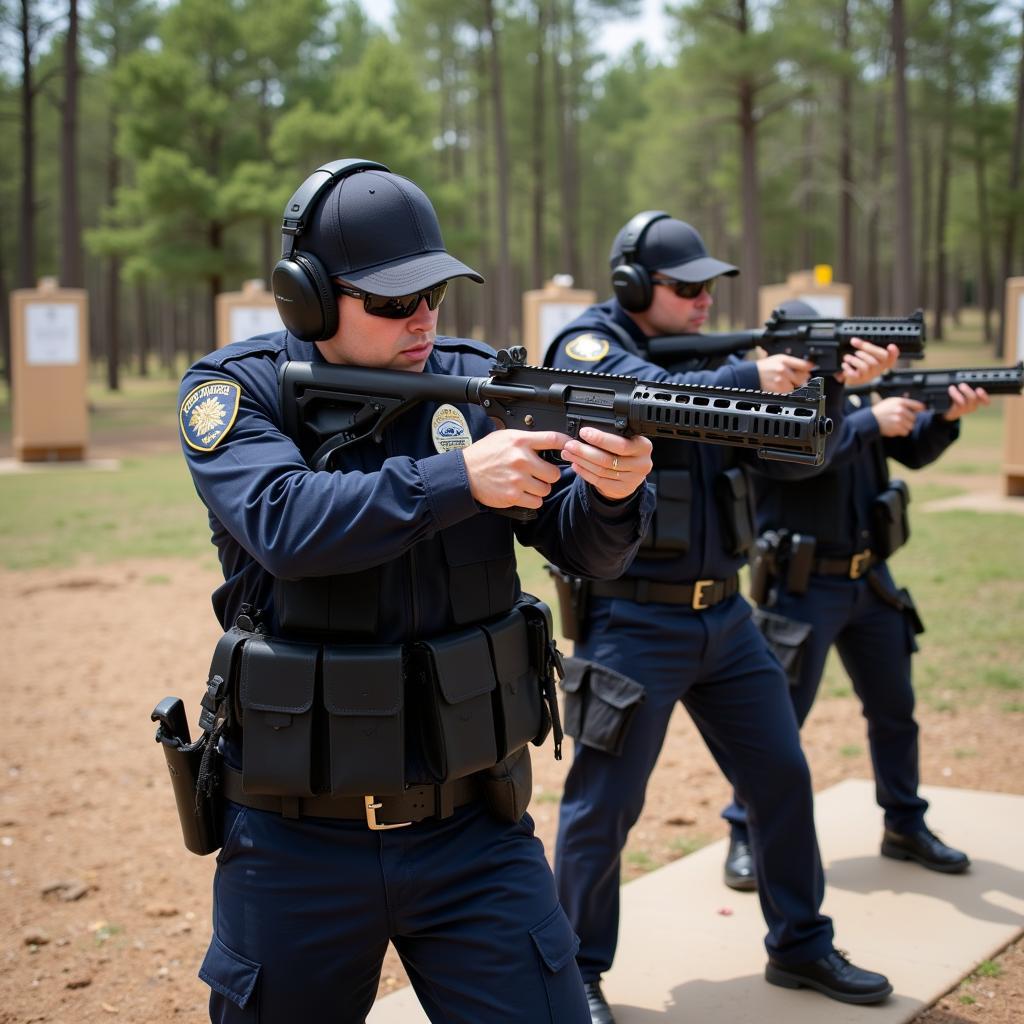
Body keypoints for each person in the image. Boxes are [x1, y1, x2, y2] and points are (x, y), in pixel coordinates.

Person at [176, 158, 655, 1023]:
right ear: (307, 298)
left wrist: (615, 494)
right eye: (394, 301)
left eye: (434, 294)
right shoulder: (233, 389)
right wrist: (456, 481)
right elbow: (285, 524)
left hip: (474, 828)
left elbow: (587, 548)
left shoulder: (478, 387)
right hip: (295, 842)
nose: (423, 319)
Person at [547, 211, 899, 1021]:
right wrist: (753, 377)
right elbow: (646, 399)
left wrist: (827, 382)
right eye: (688, 286)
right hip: (633, 621)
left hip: (727, 618)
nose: (705, 300)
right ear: (635, 285)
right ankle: (577, 973)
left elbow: (796, 455)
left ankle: (802, 945)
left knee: (781, 778)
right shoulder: (587, 343)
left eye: (711, 287)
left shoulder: (723, 359)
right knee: (603, 808)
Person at [721, 297, 987, 894]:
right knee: (775, 725)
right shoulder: (768, 398)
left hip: (869, 580)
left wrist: (942, 420)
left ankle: (904, 823)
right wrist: (869, 417)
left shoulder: (852, 387)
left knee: (895, 710)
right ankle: (743, 829)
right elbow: (802, 458)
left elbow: (910, 449)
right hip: (800, 585)